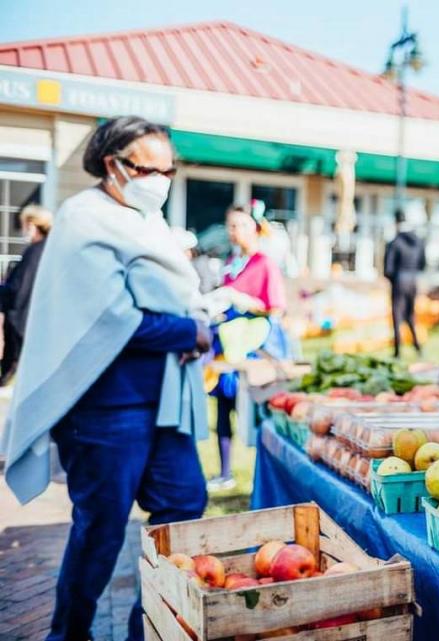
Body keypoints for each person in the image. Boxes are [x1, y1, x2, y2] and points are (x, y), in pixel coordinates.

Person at [0, 116, 211, 641]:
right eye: (149, 168)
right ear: (113, 163)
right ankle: (68, 632)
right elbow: (110, 318)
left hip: (165, 399)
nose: (160, 179)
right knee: (101, 528)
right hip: (103, 406)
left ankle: (151, 626)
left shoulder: (147, 220)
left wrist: (195, 322)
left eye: (170, 169)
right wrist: (191, 330)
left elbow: (163, 296)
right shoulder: (82, 217)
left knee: (184, 505)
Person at [208, 204, 288, 490]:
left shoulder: (264, 263)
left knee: (258, 416)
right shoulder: (232, 262)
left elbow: (276, 307)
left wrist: (245, 302)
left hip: (257, 347)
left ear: (255, 228)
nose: (234, 231)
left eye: (241, 225)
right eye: (231, 225)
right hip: (229, 345)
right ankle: (225, 471)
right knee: (223, 408)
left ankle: (266, 480)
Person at [0, 205, 53, 385]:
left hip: (22, 322)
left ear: (32, 225)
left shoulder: (35, 251)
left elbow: (18, 288)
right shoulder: (49, 250)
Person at [384, 209, 426, 357]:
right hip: (413, 280)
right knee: (411, 314)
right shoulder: (418, 241)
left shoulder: (394, 242)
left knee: (397, 315)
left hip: (399, 281)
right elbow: (422, 264)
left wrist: (393, 279)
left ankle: (397, 351)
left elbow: (388, 269)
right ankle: (417, 345)